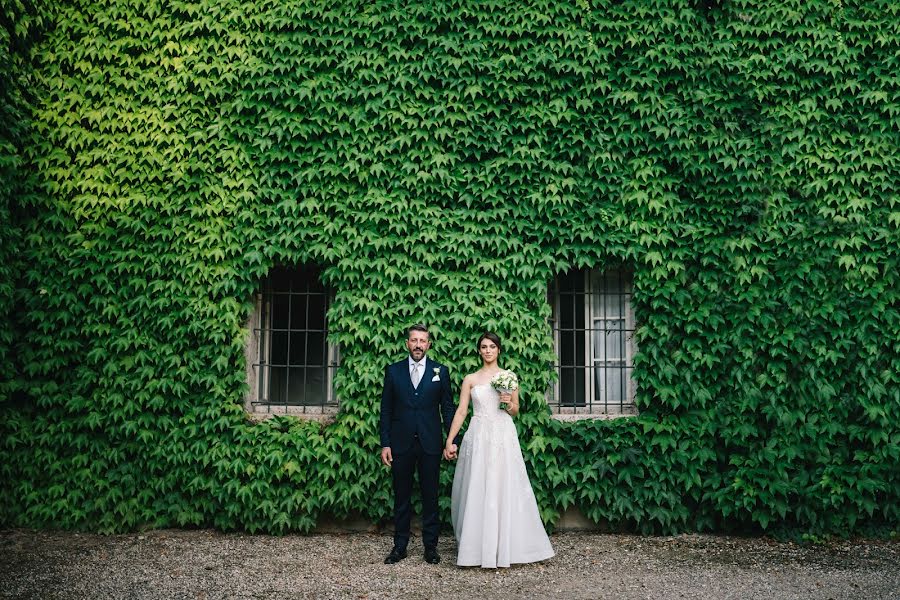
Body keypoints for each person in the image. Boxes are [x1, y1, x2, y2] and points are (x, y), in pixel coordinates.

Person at [444, 332, 555, 568]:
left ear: (498, 350)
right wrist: (450, 439)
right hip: (479, 433)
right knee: (478, 484)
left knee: (504, 484)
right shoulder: (470, 379)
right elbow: (462, 411)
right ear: (479, 350)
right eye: (483, 346)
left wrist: (507, 402)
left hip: (502, 434)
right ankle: (476, 548)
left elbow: (515, 409)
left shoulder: (508, 376)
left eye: (492, 346)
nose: (487, 350)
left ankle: (506, 546)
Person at [380, 324, 457, 565]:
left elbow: (447, 407)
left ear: (429, 344)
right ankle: (399, 546)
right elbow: (386, 410)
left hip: (430, 443)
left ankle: (431, 547)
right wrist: (385, 443)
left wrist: (450, 439)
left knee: (430, 496)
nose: (418, 345)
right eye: (414, 340)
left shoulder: (440, 371)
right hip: (401, 443)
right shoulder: (393, 371)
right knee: (401, 496)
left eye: (422, 341)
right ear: (407, 343)